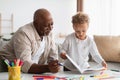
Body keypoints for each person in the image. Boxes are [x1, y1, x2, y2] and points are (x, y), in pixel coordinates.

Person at [0, 8, 60, 73]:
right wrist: (48, 68)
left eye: (51, 24)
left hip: (27, 69)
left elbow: (53, 56)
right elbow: (25, 64)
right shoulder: (23, 33)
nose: (50, 28)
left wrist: (54, 64)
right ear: (36, 24)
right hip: (6, 66)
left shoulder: (49, 33)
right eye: (46, 26)